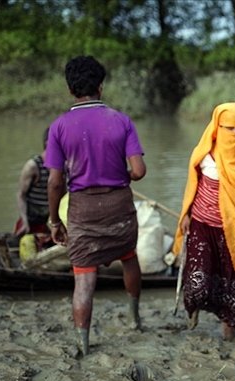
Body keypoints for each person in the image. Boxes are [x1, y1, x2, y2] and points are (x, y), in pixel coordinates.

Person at [46, 55, 147, 356]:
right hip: (119, 206)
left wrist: (54, 222)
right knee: (129, 258)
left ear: (70, 89)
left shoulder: (59, 126)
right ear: (101, 86)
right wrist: (122, 175)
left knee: (84, 279)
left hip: (83, 210)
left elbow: (54, 182)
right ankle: (135, 318)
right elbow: (139, 171)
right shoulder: (121, 120)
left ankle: (84, 343)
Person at [172, 102, 235, 342]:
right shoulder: (204, 153)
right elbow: (192, 187)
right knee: (198, 282)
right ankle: (192, 311)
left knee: (233, 286)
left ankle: (229, 332)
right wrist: (186, 216)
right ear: (218, 127)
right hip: (202, 225)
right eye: (229, 128)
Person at [14, 127, 53, 259]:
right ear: (49, 144)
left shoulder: (62, 167)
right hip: (32, 222)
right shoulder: (33, 166)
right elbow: (21, 195)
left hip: (50, 221)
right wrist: (24, 220)